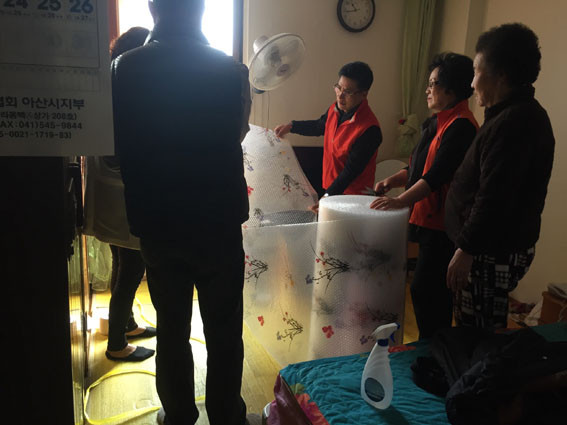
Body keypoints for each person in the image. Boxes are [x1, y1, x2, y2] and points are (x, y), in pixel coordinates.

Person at [111, 1, 258, 424]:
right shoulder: (231, 71)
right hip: (219, 222)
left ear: (154, 9)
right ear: (202, 11)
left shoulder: (124, 69)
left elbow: (114, 150)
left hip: (158, 222)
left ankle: (177, 415)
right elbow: (238, 133)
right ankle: (227, 415)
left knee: (172, 327)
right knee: (224, 329)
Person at [445, 23, 555, 330]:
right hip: (484, 250)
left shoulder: (515, 122)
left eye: (477, 71)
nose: (472, 82)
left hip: (489, 253)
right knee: (474, 328)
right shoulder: (509, 115)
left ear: (501, 76)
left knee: (478, 334)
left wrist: (467, 249)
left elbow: (494, 195)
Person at [369, 53, 478, 339]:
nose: (427, 90)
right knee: (424, 290)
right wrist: (392, 180)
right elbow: (419, 168)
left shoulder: (462, 126)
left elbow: (436, 175)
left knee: (429, 291)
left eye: (433, 84)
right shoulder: (438, 122)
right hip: (428, 218)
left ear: (451, 89)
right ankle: (430, 347)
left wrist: (399, 201)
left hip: (444, 224)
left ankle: (434, 349)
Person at [84, 26, 156, 362]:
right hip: (121, 193)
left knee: (123, 261)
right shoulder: (123, 89)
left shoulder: (109, 83)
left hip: (110, 193)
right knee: (132, 267)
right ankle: (116, 345)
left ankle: (126, 325)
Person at [274, 61, 382, 211]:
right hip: (332, 188)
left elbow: (350, 172)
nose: (340, 95)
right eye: (339, 87)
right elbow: (320, 126)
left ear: (364, 93)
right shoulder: (336, 109)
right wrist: (292, 126)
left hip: (354, 199)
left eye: (348, 92)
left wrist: (327, 196)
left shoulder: (369, 130)